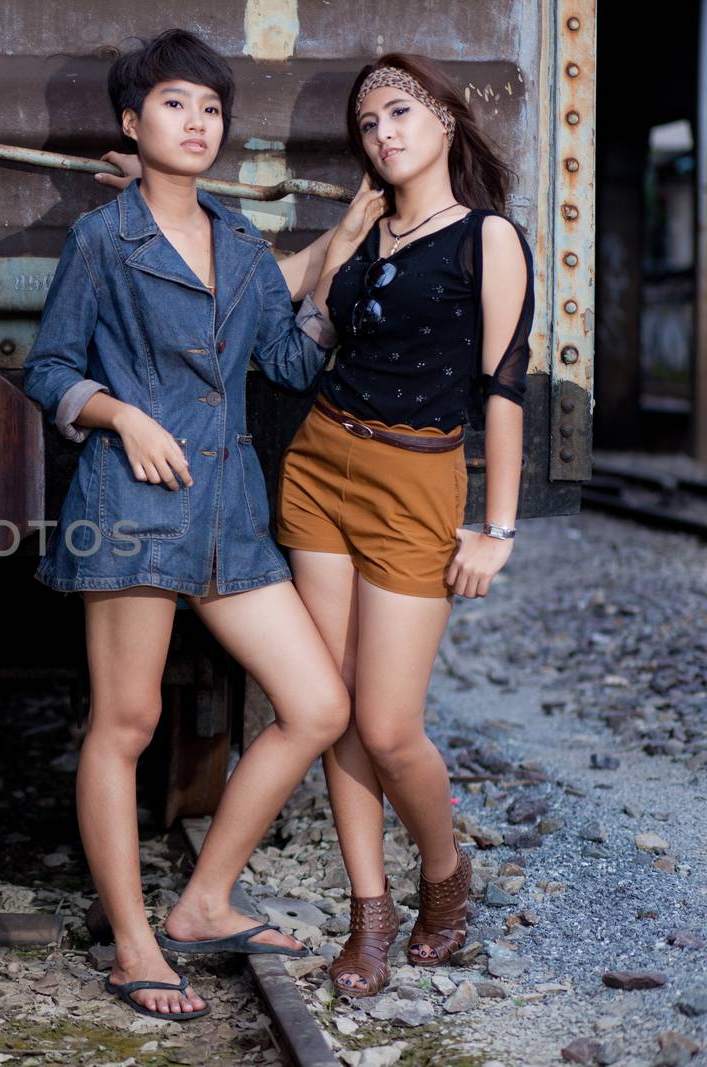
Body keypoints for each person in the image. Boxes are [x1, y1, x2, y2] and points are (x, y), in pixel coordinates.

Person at [22, 29, 362, 1022]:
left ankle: (206, 898)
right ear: (133, 123)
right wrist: (120, 412)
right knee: (124, 724)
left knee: (316, 704)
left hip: (229, 514)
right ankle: (134, 943)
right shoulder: (104, 238)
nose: (197, 122)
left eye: (211, 108)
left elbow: (289, 369)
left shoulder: (244, 246)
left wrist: (342, 277)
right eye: (175, 104)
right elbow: (48, 368)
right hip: (130, 507)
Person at [278, 55, 534, 997]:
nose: (383, 134)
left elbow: (504, 390)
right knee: (337, 707)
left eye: (400, 113)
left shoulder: (488, 238)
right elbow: (279, 308)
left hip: (414, 480)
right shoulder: (365, 235)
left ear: (447, 121)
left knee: (390, 725)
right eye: (368, 125)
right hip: (316, 466)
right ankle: (369, 914)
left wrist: (495, 529)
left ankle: (444, 876)